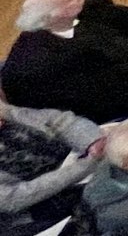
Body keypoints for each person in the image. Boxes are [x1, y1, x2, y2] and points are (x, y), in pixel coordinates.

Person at [3, 0, 128, 122]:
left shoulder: (89, 14)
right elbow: (113, 91)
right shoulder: (40, 63)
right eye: (69, 0)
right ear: (52, 16)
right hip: (110, 116)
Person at [0, 97, 104, 233]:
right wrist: (85, 166)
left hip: (86, 165)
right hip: (40, 212)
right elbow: (14, 199)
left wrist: (92, 142)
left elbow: (62, 122)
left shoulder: (8, 114)